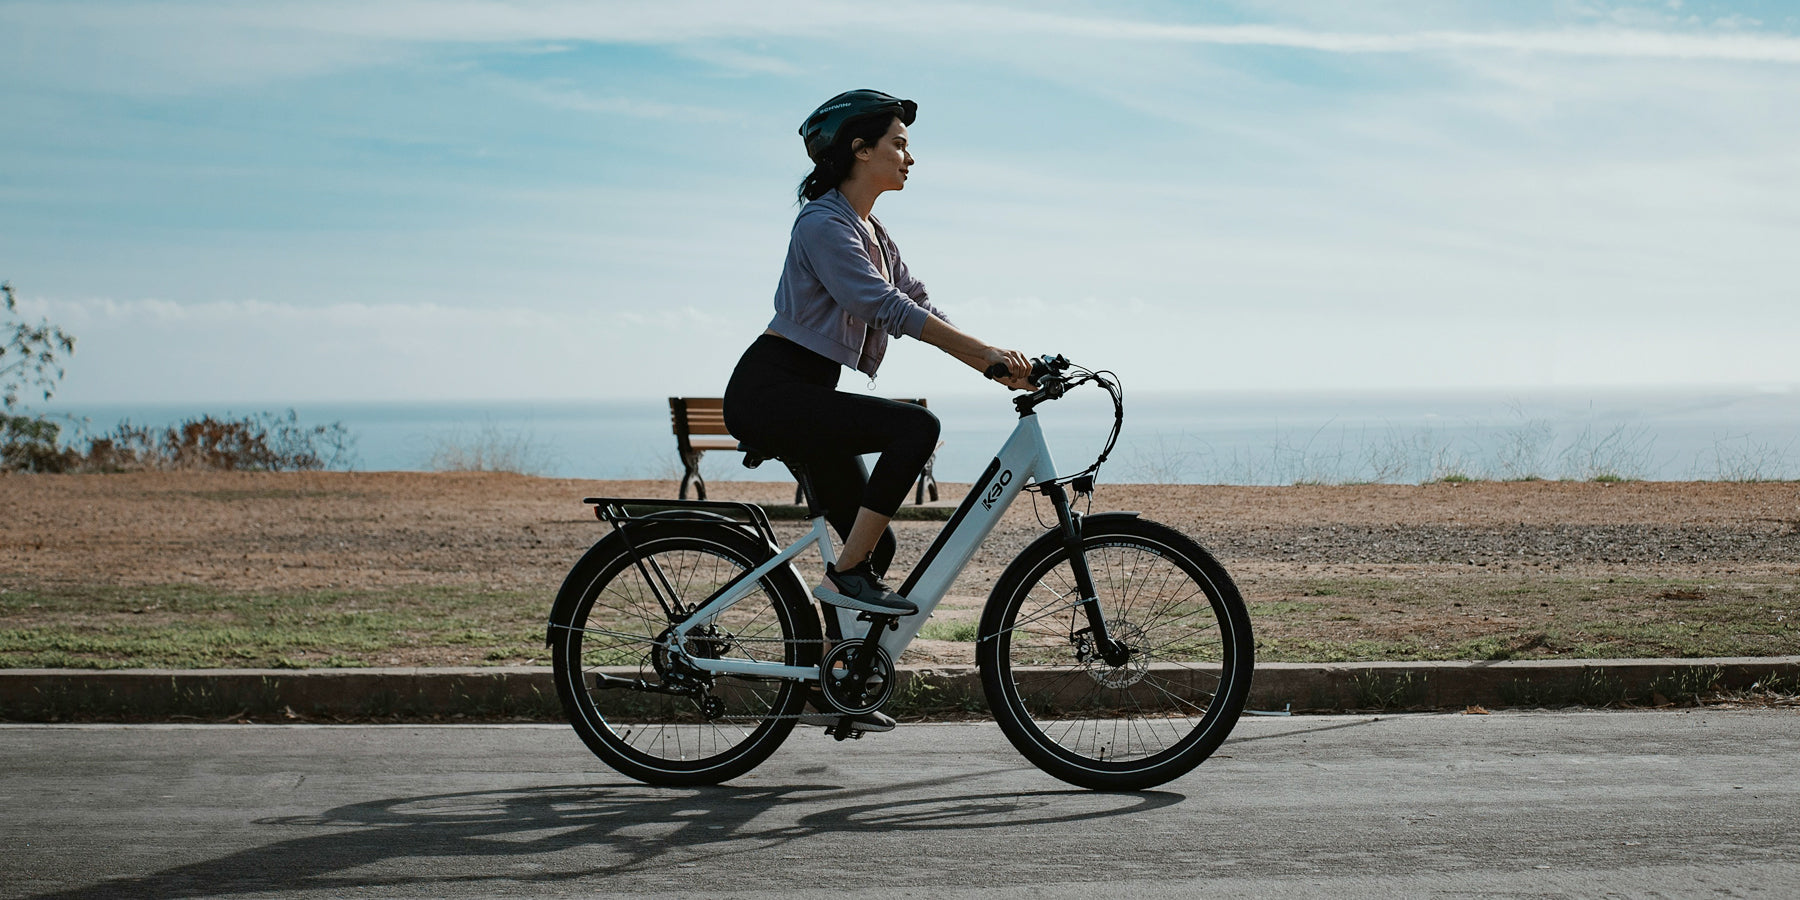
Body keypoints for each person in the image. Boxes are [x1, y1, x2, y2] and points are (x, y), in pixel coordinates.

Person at [723, 89, 1031, 730]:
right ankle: (842, 581)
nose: (910, 156)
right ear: (859, 151)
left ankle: (833, 683)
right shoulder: (822, 224)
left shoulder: (872, 229)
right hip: (774, 391)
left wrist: (1000, 356)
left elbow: (915, 296)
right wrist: (982, 359)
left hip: (807, 392)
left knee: (876, 545)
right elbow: (879, 304)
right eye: (899, 143)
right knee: (913, 428)